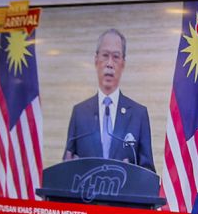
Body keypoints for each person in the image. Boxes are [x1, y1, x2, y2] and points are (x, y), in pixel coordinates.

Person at [63, 29, 154, 170]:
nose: (110, 64)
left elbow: (148, 171)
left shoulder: (138, 114)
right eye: (105, 56)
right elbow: (67, 164)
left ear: (123, 63)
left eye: (116, 57)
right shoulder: (79, 113)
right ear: (96, 60)